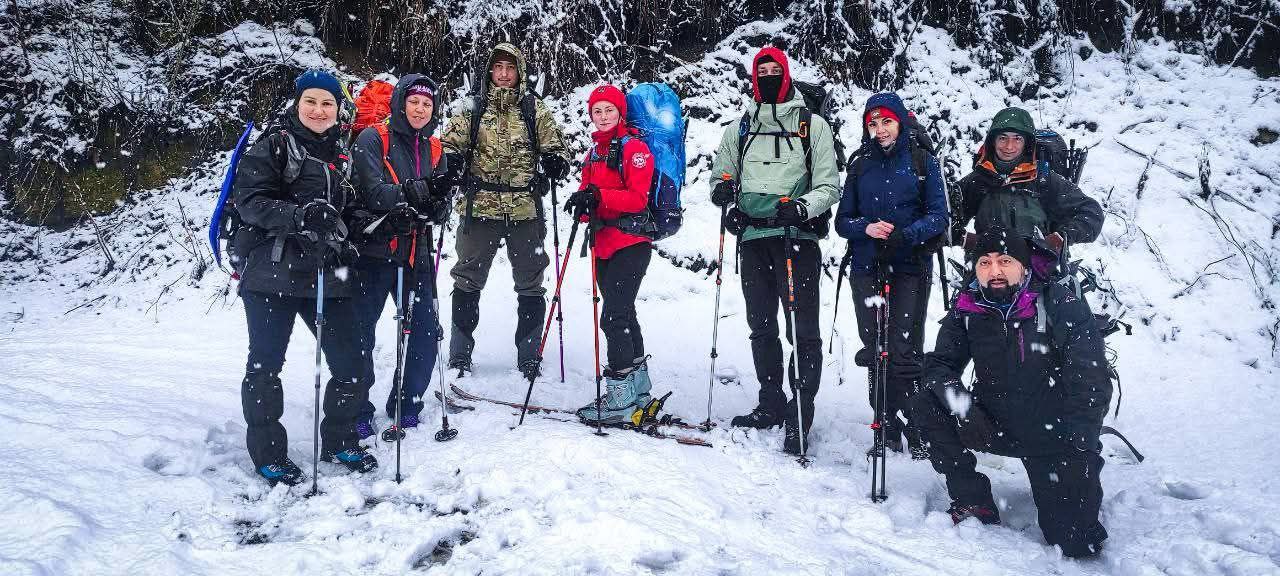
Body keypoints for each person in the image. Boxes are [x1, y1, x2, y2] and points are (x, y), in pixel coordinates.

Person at [911, 228, 1111, 558]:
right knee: (927, 402)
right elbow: (939, 366)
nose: (995, 271)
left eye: (1005, 261)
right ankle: (973, 499)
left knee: (1076, 543)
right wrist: (963, 408)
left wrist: (1080, 448)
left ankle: (1078, 479)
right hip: (993, 424)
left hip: (1054, 434)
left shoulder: (1059, 303)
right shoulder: (968, 307)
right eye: (985, 262)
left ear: (1024, 266)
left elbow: (1090, 382)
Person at [232, 70, 376, 486]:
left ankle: (339, 439)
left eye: (327, 103)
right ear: (298, 104)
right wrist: (298, 216)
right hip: (271, 271)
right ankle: (268, 453)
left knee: (352, 361)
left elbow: (346, 211)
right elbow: (250, 201)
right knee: (265, 365)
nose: (318, 110)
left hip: (327, 273)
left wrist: (370, 222)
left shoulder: (342, 153)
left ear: (338, 108)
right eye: (311, 101)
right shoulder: (275, 144)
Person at [709, 46, 841, 454]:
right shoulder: (741, 127)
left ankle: (801, 411)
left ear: (785, 74)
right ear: (754, 76)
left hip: (795, 240)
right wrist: (724, 196)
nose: (767, 75)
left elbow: (829, 185)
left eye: (773, 69)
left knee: (801, 330)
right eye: (761, 70)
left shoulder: (811, 126)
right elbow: (721, 174)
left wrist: (802, 208)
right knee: (761, 325)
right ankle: (771, 402)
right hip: (752, 239)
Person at [438, 42, 570, 380]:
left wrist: (556, 162)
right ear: (490, 71)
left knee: (531, 283)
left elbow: (557, 145)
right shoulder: (473, 107)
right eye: (498, 68)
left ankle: (528, 354)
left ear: (519, 72)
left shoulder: (533, 108)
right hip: (478, 207)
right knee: (467, 279)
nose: (504, 74)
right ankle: (460, 354)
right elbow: (450, 143)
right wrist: (451, 162)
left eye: (510, 69)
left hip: (525, 209)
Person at [834, 92, 947, 458]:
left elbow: (939, 216)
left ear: (900, 122)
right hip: (867, 266)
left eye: (886, 122)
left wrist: (906, 233)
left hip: (910, 267)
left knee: (905, 349)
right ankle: (884, 424)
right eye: (873, 124)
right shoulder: (859, 164)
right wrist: (865, 228)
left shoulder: (922, 162)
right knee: (875, 348)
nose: (880, 130)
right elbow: (842, 221)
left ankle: (917, 425)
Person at [349, 74, 452, 440]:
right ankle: (356, 407)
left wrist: (437, 208)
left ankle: (407, 403)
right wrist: (413, 196)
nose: (421, 109)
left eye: (427, 104)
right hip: (372, 249)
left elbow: (441, 200)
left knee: (425, 331)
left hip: (416, 251)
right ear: (400, 103)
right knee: (360, 332)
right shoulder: (372, 138)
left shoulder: (436, 149)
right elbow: (372, 190)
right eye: (414, 101)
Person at [562, 85, 657, 424]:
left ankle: (620, 399)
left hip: (631, 244)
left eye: (608, 110)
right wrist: (582, 203)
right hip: (604, 243)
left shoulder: (635, 149)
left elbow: (637, 199)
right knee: (625, 314)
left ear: (620, 112)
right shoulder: (594, 153)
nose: (602, 117)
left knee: (614, 317)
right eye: (597, 111)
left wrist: (597, 195)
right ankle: (638, 390)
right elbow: (593, 196)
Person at [954, 107, 1103, 253]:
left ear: (1027, 143)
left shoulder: (1044, 180)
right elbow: (945, 215)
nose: (1009, 146)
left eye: (1017, 139)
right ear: (992, 141)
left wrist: (1063, 236)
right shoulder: (977, 180)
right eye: (1002, 138)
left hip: (1040, 265)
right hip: (987, 266)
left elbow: (1091, 212)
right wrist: (964, 239)